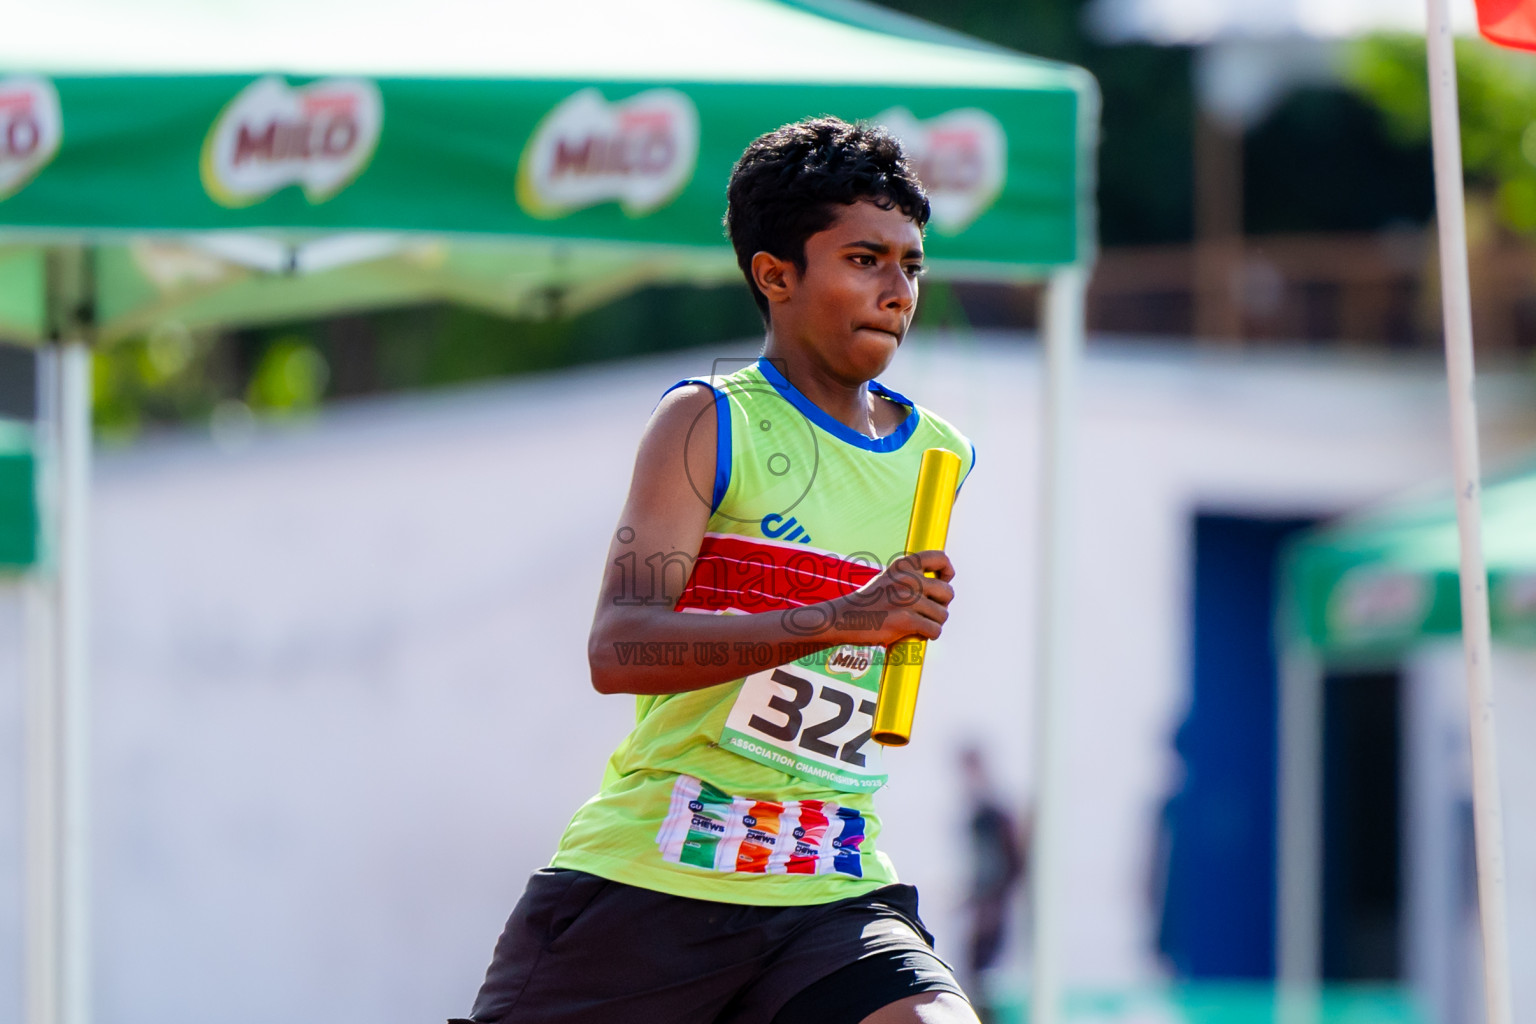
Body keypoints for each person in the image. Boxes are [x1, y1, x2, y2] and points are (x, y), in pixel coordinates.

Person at [453, 117, 977, 1024]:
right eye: (864, 259)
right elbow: (620, 651)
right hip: (657, 881)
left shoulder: (940, 457)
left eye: (912, 265)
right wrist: (842, 619)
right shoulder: (704, 424)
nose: (897, 292)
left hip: (825, 881)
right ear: (775, 274)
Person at [957, 747, 1028, 1023]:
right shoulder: (982, 808)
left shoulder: (992, 811)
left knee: (984, 977)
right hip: (984, 904)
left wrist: (989, 902)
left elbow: (1008, 863)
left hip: (991, 906)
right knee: (975, 975)